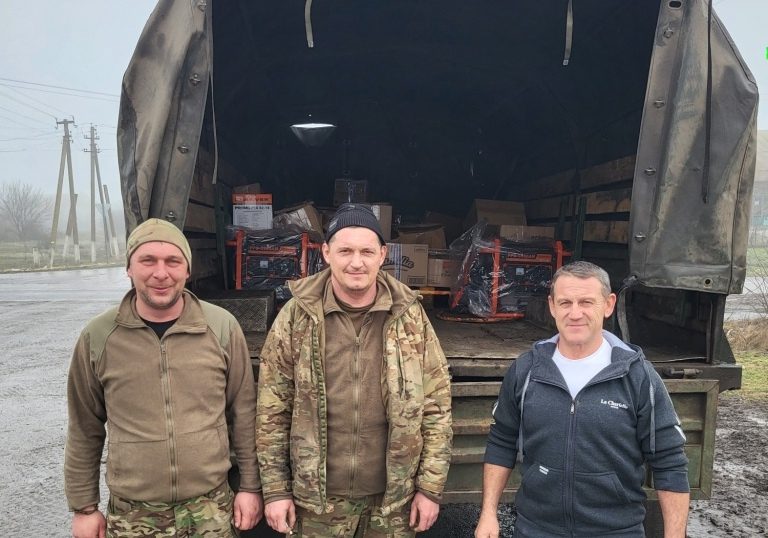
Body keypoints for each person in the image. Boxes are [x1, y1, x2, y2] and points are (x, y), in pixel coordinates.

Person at [256, 203, 453, 537]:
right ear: (327, 253)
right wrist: (276, 490)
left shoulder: (409, 316)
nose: (356, 262)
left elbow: (437, 406)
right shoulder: (297, 316)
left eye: (367, 251)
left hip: (392, 502)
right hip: (318, 503)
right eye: (345, 251)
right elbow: (272, 409)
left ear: (382, 255)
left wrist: (430, 488)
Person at [65, 218, 263, 538]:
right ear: (129, 268)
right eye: (148, 260)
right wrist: (84, 508)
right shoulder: (99, 337)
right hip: (133, 515)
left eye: (173, 261)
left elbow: (244, 413)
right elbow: (84, 427)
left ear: (188, 270)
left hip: (211, 509)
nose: (161, 273)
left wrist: (250, 487)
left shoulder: (221, 328)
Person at [475, 261, 690, 538]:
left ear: (608, 304)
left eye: (586, 302)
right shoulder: (527, 371)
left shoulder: (638, 376)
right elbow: (501, 442)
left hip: (616, 532)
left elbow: (669, 461)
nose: (575, 313)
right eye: (565, 303)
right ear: (552, 306)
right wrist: (488, 512)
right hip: (536, 529)